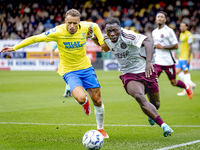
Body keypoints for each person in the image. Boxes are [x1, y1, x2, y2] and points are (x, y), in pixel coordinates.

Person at [0, 9, 109, 138]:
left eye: (75, 23)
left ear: (79, 22)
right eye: (69, 23)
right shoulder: (57, 31)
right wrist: (15, 47)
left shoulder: (89, 27)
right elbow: (36, 38)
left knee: (97, 100)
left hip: (86, 68)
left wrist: (96, 38)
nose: (72, 26)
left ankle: (100, 129)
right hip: (69, 70)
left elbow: (100, 37)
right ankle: (84, 103)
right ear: (65, 22)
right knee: (81, 98)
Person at [99, 17, 173, 137]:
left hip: (146, 69)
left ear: (120, 29)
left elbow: (148, 42)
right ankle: (163, 125)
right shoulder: (106, 38)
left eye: (115, 31)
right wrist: (92, 36)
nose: (112, 34)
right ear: (106, 31)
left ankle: (152, 114)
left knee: (156, 104)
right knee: (139, 96)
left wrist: (149, 63)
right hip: (128, 73)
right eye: (109, 31)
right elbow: (102, 44)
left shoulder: (128, 35)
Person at [152, 11, 193, 99]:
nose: (159, 18)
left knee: (173, 82)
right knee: (153, 80)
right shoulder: (154, 32)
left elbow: (176, 45)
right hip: (158, 61)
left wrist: (162, 47)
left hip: (168, 62)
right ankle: (154, 101)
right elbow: (155, 46)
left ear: (165, 20)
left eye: (161, 17)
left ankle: (187, 87)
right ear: (156, 19)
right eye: (158, 16)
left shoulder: (169, 31)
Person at [176, 22, 196, 96]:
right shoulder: (181, 34)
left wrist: (188, 57)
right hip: (181, 57)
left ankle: (186, 89)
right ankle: (190, 83)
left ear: (187, 27)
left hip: (186, 57)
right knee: (177, 71)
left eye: (184, 26)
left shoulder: (188, 35)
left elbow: (190, 46)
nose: (182, 27)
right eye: (181, 26)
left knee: (186, 72)